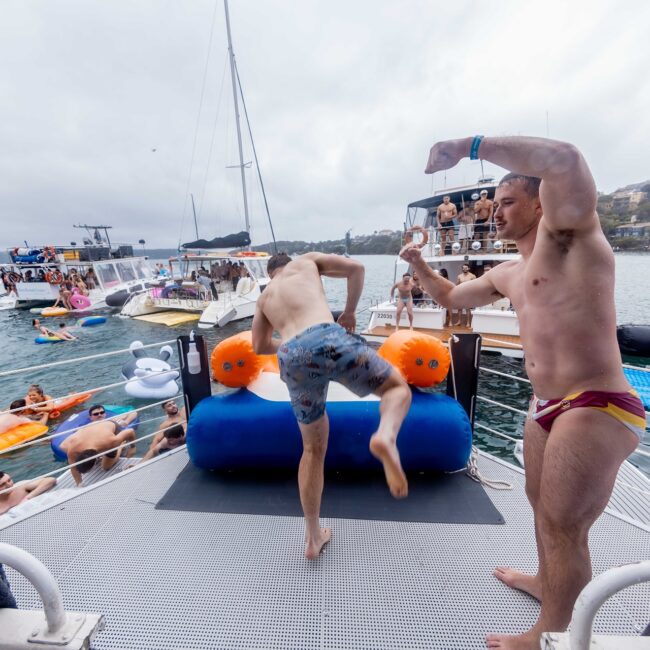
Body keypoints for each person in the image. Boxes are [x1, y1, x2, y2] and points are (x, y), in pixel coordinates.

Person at [402, 135, 645, 649]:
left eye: (507, 202)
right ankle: (546, 583)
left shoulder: (570, 239)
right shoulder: (509, 272)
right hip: (548, 404)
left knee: (563, 526)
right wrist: (417, 265)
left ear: (541, 204)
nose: (494, 212)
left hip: (596, 404)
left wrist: (467, 146)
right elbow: (449, 297)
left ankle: (553, 634)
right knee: (541, 507)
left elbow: (566, 158)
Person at [251, 252, 411, 559]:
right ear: (289, 262)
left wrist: (293, 347)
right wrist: (349, 313)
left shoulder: (265, 297)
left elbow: (258, 346)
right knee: (397, 389)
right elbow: (357, 268)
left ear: (270, 273)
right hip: (325, 335)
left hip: (291, 357)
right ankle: (385, 436)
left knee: (312, 450)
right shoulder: (305, 262)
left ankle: (312, 538)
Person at [60, 405, 137, 486]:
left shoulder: (111, 442)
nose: (99, 415)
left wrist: (133, 447)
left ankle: (121, 446)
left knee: (106, 467)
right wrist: (79, 484)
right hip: (93, 436)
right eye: (96, 414)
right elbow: (74, 468)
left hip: (110, 430)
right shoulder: (73, 449)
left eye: (102, 412)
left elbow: (130, 431)